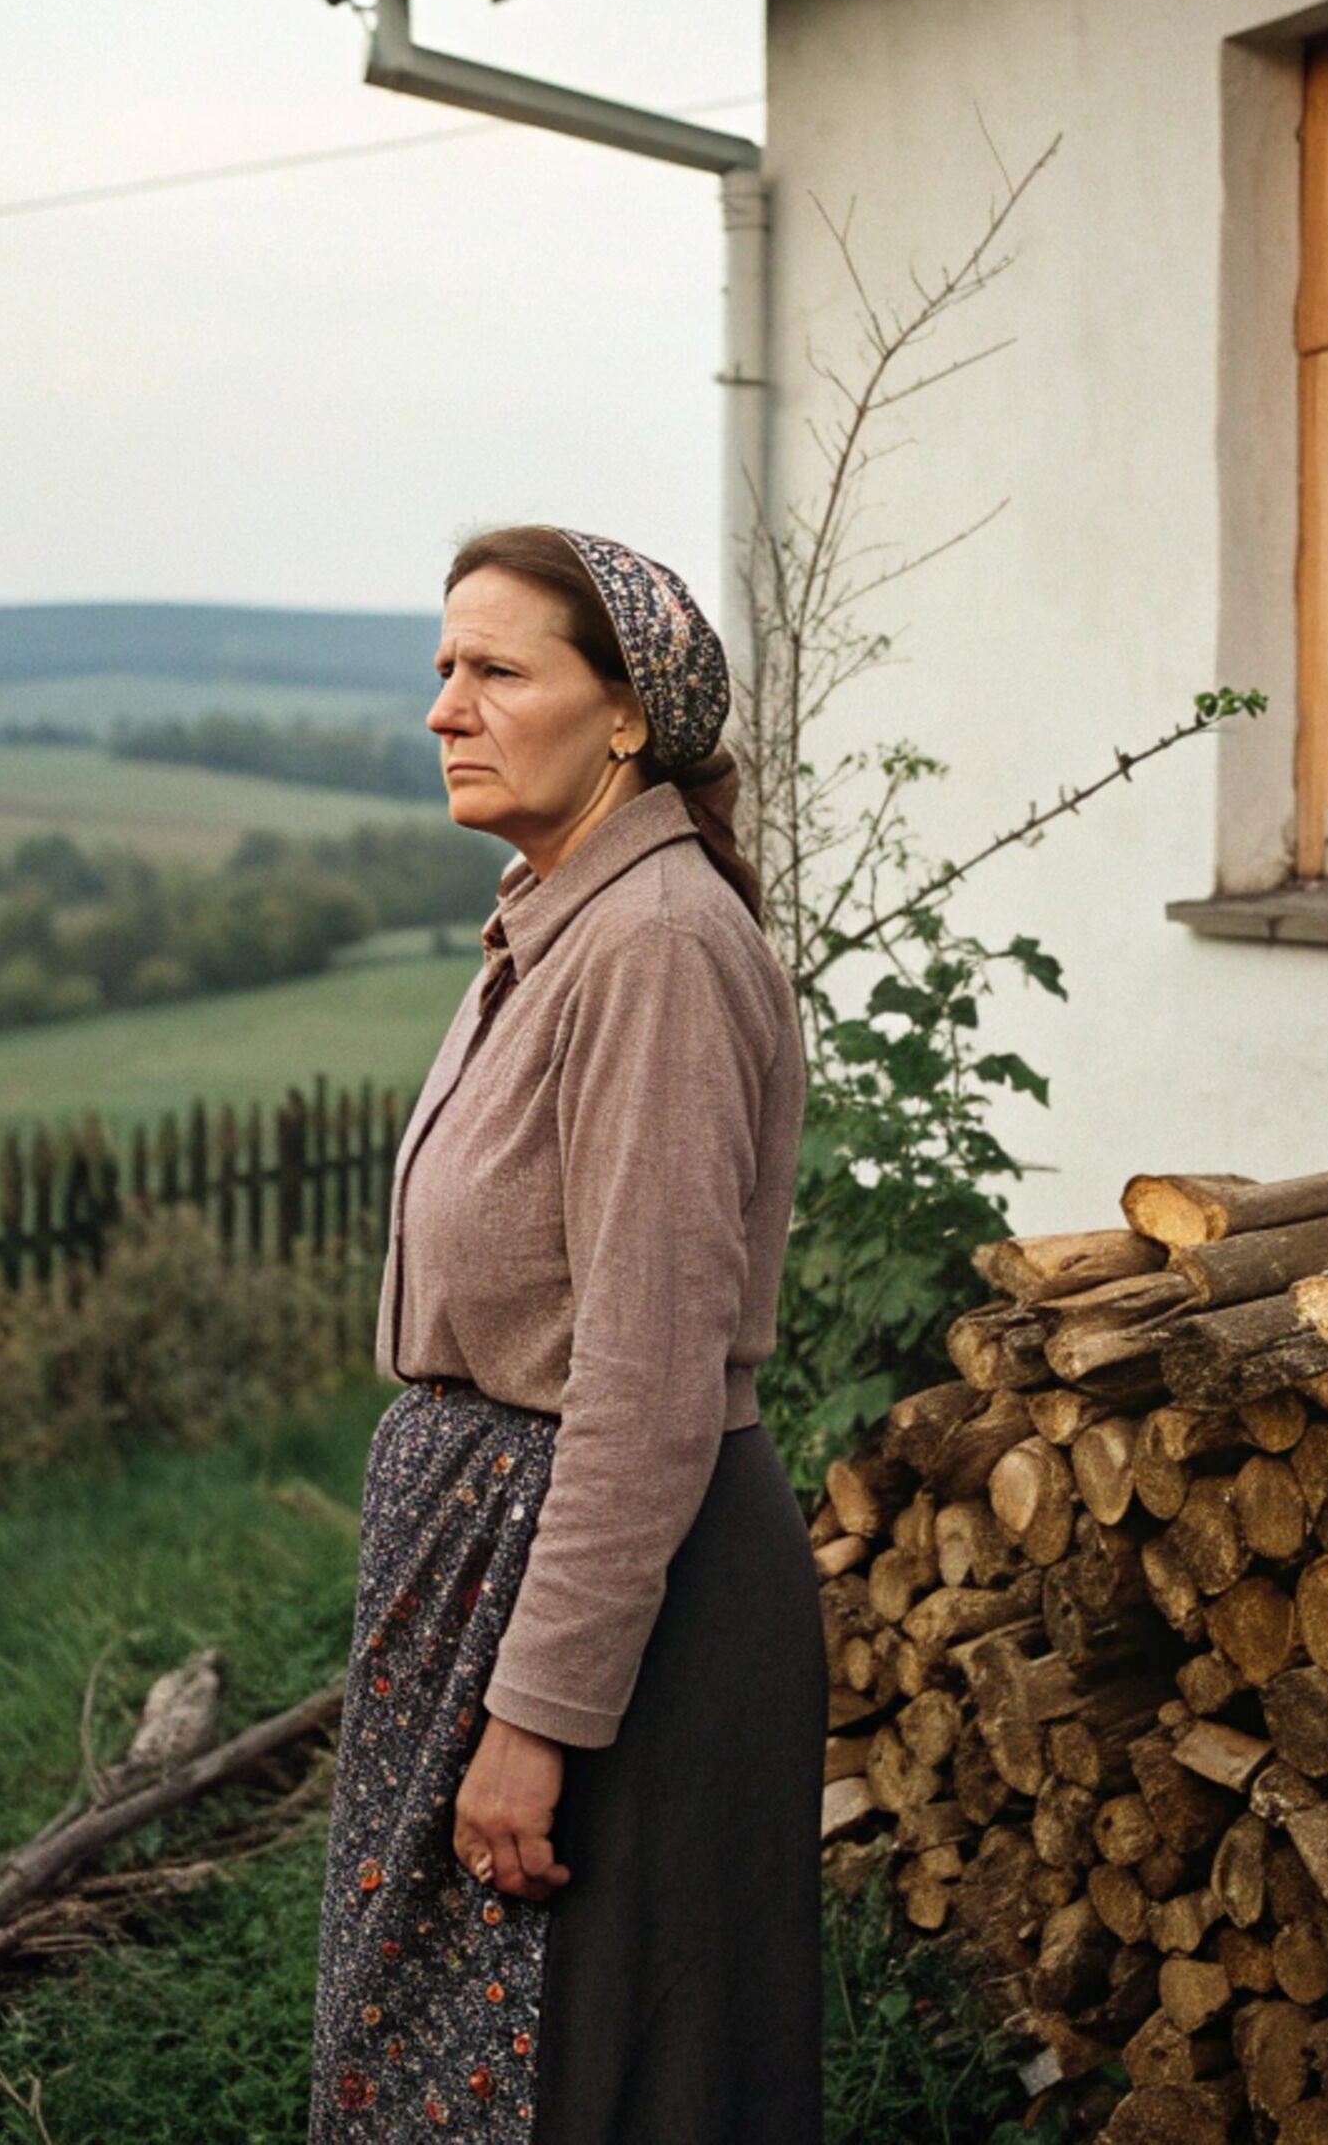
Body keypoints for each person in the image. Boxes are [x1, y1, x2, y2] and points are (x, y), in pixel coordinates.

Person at [307, 523, 823, 2141]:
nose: (448, 708)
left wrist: (533, 1724)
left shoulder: (655, 947)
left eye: (497, 671)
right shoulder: (553, 920)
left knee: (605, 2075)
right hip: (496, 1566)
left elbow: (650, 1390)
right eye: (443, 671)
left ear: (625, 718)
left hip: (618, 1607)